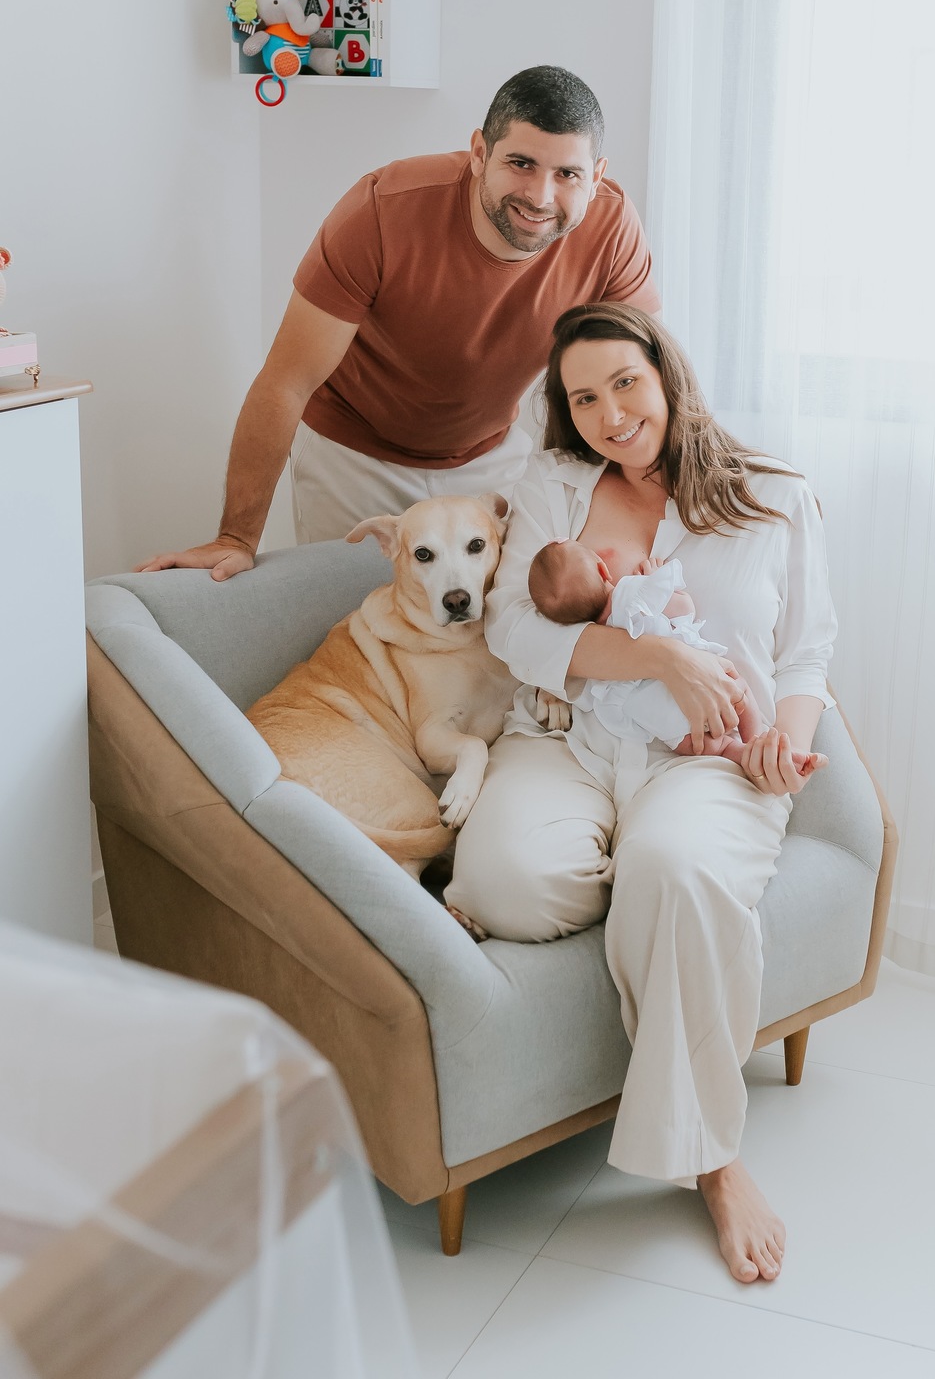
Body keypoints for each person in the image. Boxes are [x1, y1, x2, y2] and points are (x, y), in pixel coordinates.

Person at [444, 302, 837, 1286]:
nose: (611, 414)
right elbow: (514, 630)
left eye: (625, 382)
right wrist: (661, 658)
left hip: (711, 757)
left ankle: (713, 1159)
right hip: (567, 738)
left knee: (673, 867)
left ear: (666, 373)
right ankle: (655, 901)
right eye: (584, 399)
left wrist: (781, 752)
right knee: (503, 885)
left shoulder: (774, 495)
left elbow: (806, 655)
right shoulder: (551, 486)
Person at [137, 67, 658, 578]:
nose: (541, 196)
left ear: (597, 176)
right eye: (521, 163)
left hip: (490, 453)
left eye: (567, 174)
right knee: (346, 617)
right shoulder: (382, 210)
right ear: (479, 153)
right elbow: (286, 382)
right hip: (355, 456)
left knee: (503, 617)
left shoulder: (612, 226)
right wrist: (236, 538)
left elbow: (649, 378)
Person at [527, 543, 829, 782]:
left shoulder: (593, 656)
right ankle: (759, 743)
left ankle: (741, 752)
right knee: (741, 693)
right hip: (711, 685)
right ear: (603, 570)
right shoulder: (632, 594)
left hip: (668, 722)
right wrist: (656, 582)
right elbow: (684, 608)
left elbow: (606, 709)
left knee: (721, 747)